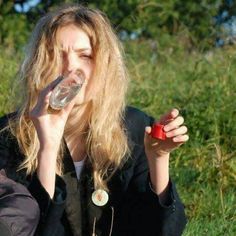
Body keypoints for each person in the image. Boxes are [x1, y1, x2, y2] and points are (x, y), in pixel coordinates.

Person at [0, 4, 189, 236]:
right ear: (40, 64)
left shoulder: (134, 127)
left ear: (105, 66)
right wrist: (47, 149)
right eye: (57, 54)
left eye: (86, 56)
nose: (71, 67)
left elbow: (161, 231)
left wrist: (158, 159)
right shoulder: (9, 135)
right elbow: (21, 227)